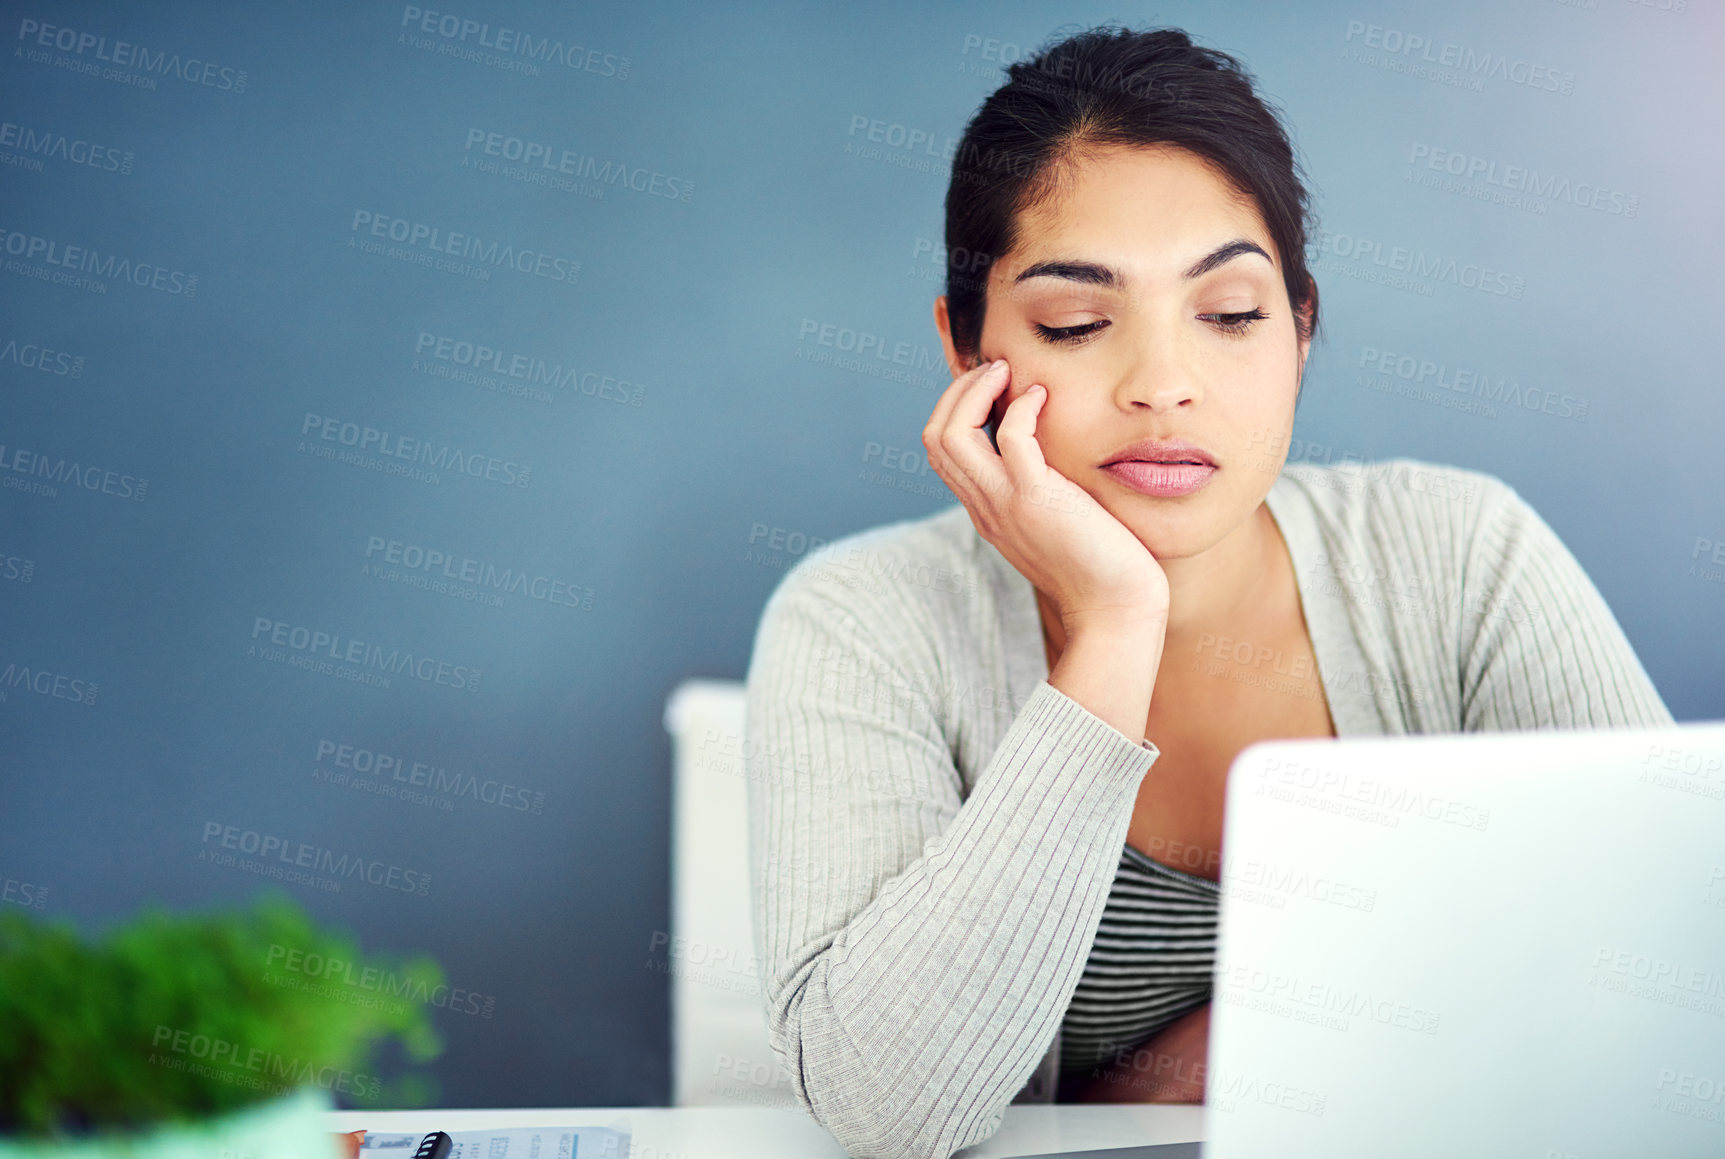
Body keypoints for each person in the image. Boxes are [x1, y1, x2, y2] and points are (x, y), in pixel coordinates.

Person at [743, 24, 1669, 1159]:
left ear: (1301, 330)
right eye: (1075, 323)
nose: (1164, 387)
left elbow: (1671, 973)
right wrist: (1115, 624)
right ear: (963, 349)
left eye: (1230, 315)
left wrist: (1211, 1059)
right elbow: (888, 1111)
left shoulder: (1463, 552)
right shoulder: (861, 617)